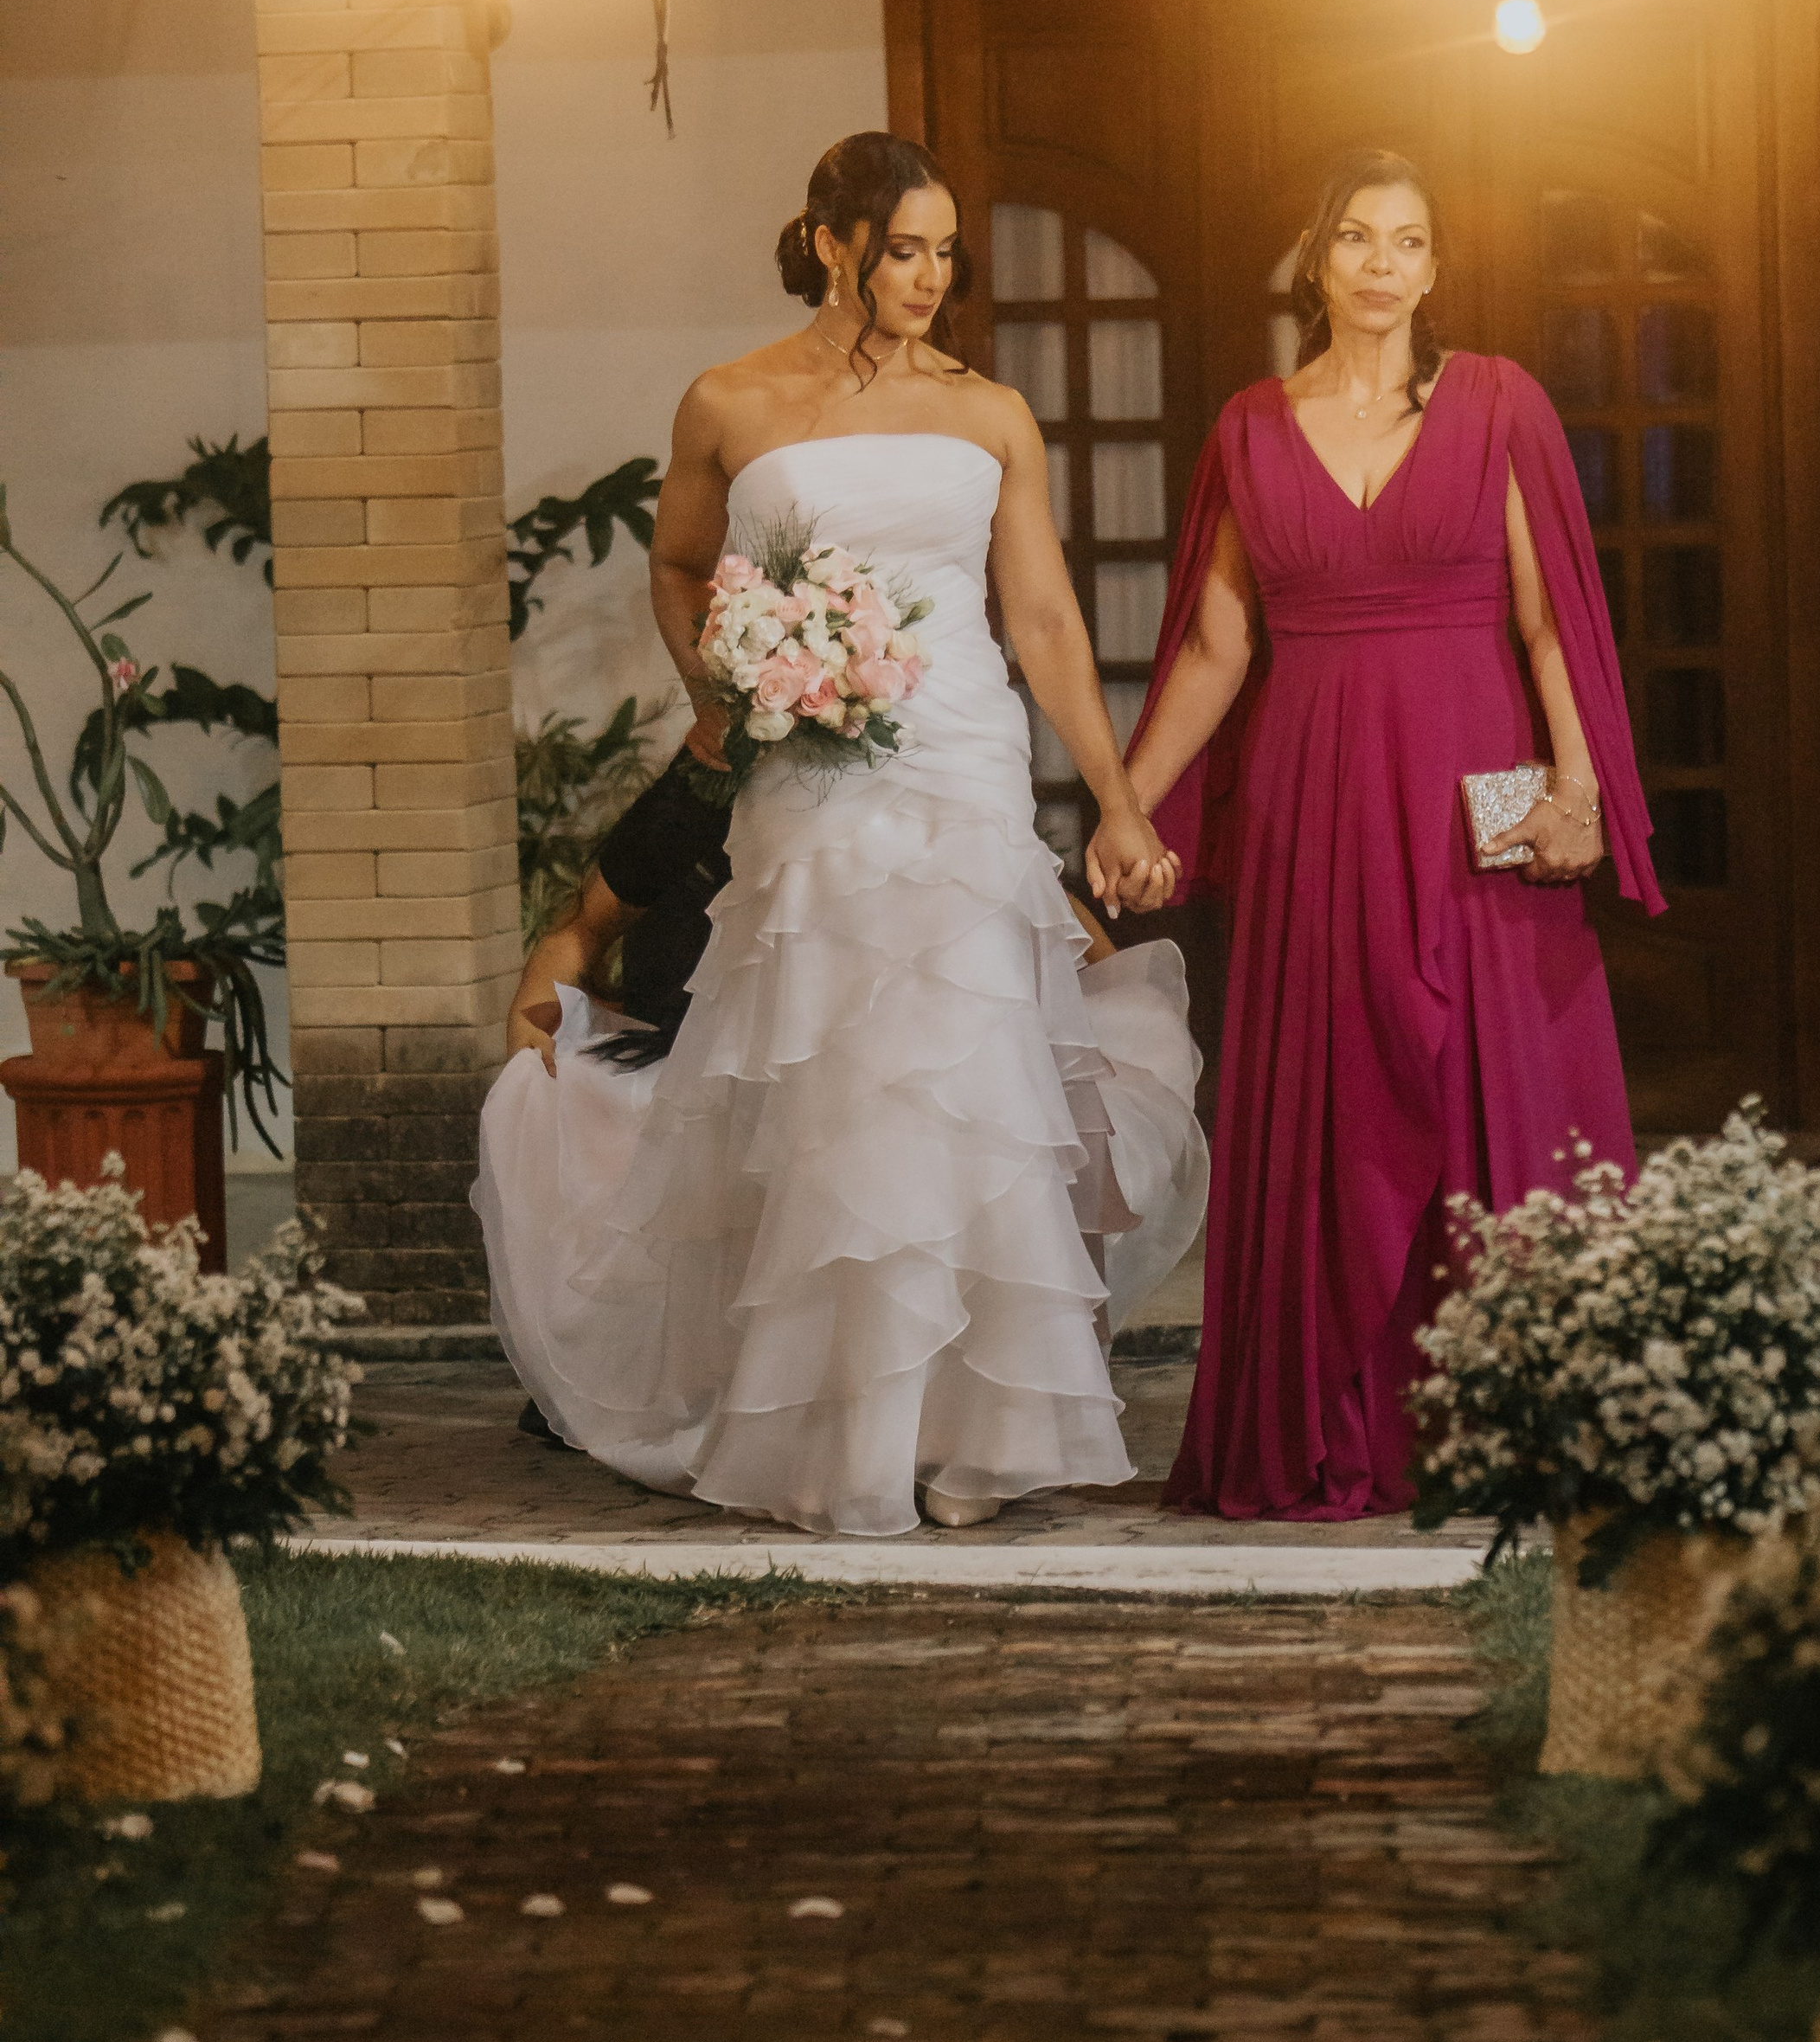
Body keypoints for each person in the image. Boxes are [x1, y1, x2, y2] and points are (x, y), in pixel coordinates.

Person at [473, 131, 1195, 1538]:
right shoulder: (729, 402)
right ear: (827, 240)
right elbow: (681, 566)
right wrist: (729, 687)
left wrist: (1113, 795)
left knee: (966, 1073)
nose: (926, 278)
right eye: (900, 248)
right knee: (833, 1081)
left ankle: (972, 1432)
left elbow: (1040, 618)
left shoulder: (990, 415)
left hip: (961, 761)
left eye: (942, 252)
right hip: (808, 775)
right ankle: (836, 1428)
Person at [1109, 148, 1662, 1523]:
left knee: (1495, 1082)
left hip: (1472, 787)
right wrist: (1123, 804)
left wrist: (1578, 790)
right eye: (1354, 237)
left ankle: (1509, 1423)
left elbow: (1549, 621)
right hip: (1316, 808)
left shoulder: (1497, 404)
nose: (1378, 263)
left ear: (1432, 270)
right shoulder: (1248, 426)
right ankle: (1326, 1428)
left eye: (1406, 243)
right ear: (1319, 260)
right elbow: (1218, 648)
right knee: (1334, 1095)